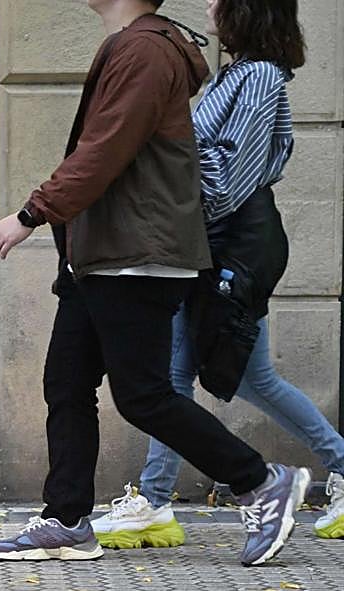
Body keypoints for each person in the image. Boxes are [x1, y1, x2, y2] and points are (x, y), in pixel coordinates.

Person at [0, 0, 309, 567]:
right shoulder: (139, 45)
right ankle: (66, 520)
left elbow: (104, 149)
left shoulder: (147, 50)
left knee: (144, 396)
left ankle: (259, 481)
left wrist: (31, 215)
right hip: (106, 251)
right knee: (66, 383)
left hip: (137, 253)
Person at [91, 0, 331, 547]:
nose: (208, 5)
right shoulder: (238, 75)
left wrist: (163, 140)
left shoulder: (260, 78)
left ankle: (161, 501)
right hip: (207, 243)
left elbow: (227, 179)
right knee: (181, 376)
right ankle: (153, 501)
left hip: (231, 247)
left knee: (244, 376)